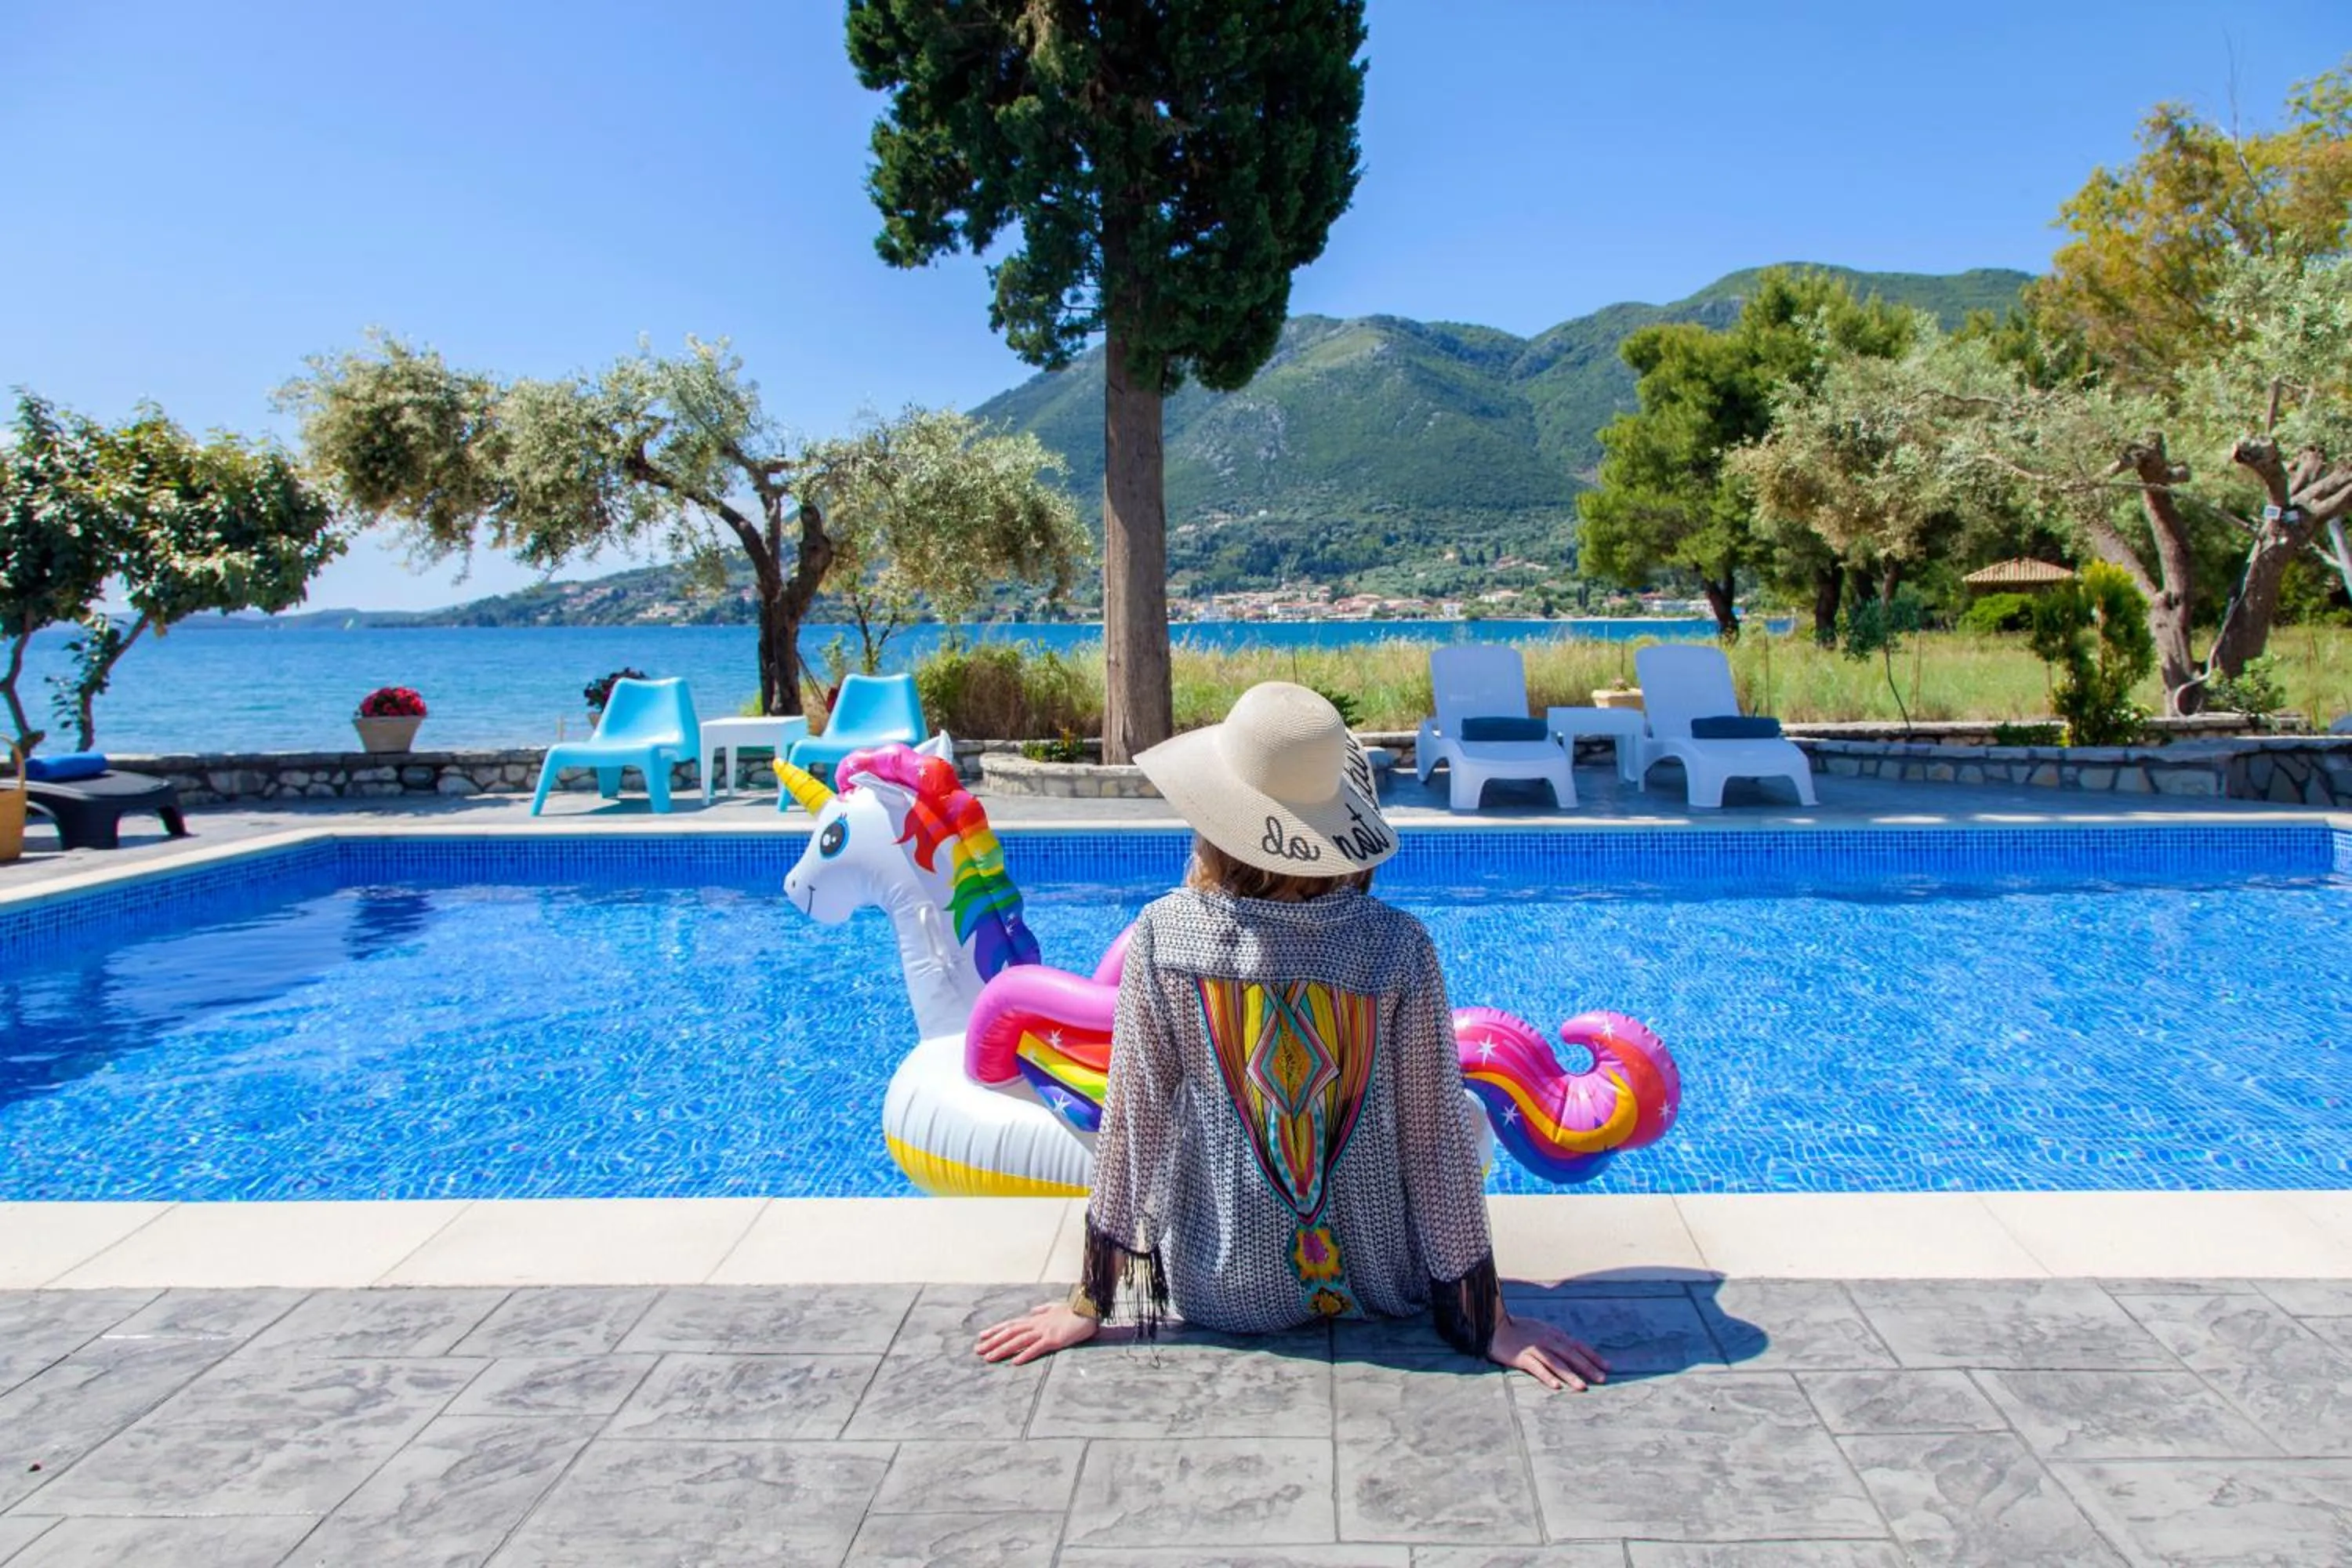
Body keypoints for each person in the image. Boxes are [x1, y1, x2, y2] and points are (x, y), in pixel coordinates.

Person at [976, 681, 1607, 1391]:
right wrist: (1489, 1320)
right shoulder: (1395, 949)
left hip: (1219, 1286)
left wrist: (1088, 1300)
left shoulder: (1166, 936)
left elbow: (1134, 1127)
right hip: (1379, 1284)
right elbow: (1435, 1145)